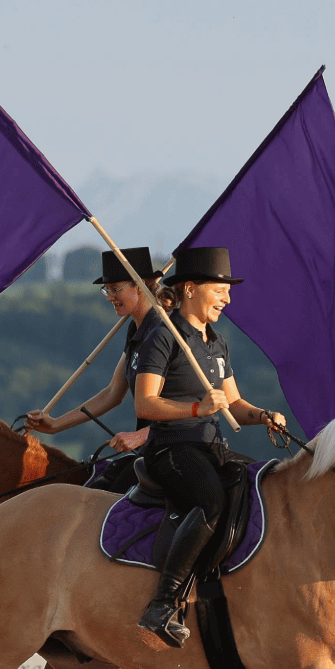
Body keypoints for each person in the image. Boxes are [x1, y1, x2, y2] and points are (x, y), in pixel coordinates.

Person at [129, 246, 286, 648]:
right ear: (190, 288)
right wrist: (197, 407)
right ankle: (162, 605)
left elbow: (234, 404)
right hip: (171, 449)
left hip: (210, 446)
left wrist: (264, 415)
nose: (227, 298)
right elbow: (145, 403)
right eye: (220, 289)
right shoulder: (163, 336)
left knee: (262, 489)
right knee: (211, 502)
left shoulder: (216, 343)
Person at [22, 247, 161, 489]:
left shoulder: (162, 334)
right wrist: (55, 424)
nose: (109, 297)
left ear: (139, 286)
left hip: (167, 448)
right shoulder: (135, 330)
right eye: (107, 289)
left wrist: (140, 436)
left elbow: (187, 404)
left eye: (116, 289)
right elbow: (112, 393)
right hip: (147, 451)